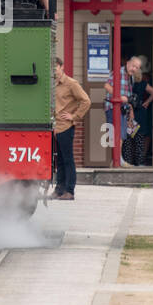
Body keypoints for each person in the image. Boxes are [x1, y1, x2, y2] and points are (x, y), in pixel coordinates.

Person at [52, 56, 91, 200]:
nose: (53, 70)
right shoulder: (52, 83)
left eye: (55, 67)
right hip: (55, 127)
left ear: (61, 67)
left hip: (66, 127)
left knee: (68, 160)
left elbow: (86, 101)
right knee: (59, 160)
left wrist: (74, 117)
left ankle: (70, 191)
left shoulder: (71, 83)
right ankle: (59, 190)